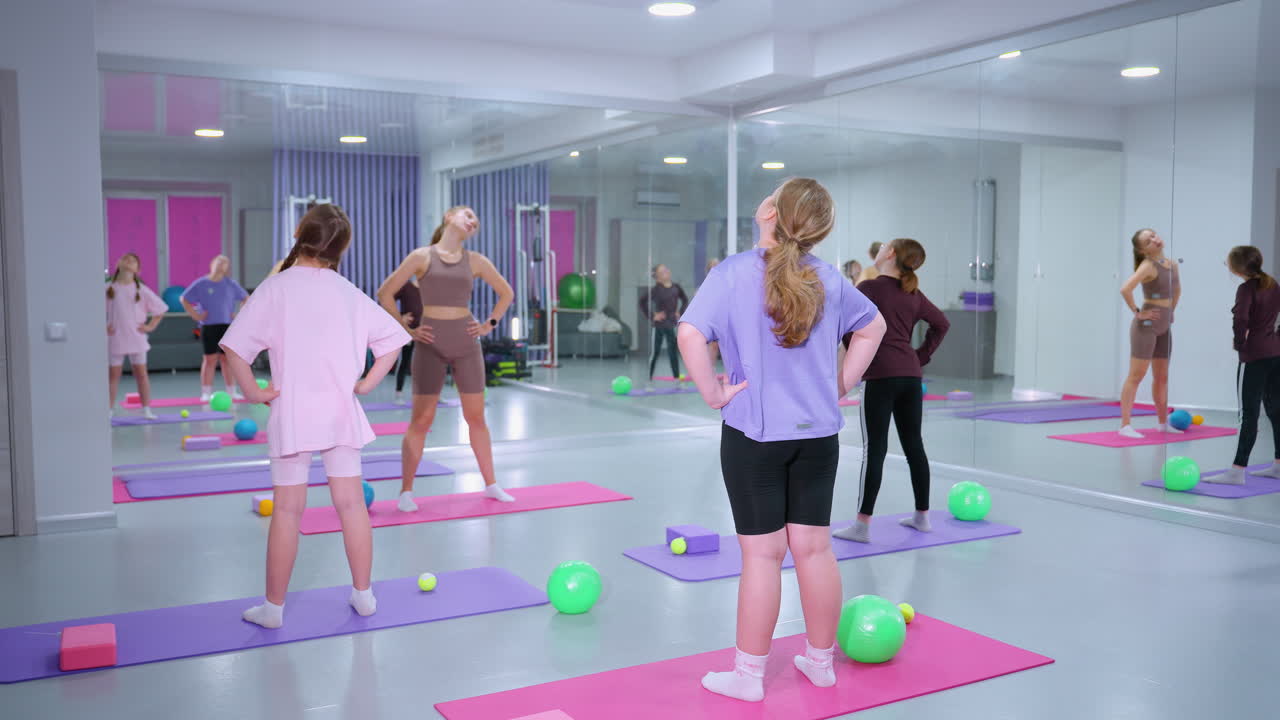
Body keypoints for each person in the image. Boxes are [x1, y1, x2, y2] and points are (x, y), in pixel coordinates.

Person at [679, 178, 885, 703]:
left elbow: (689, 334)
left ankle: (748, 676)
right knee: (815, 550)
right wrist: (840, 384)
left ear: (770, 211)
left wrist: (712, 393)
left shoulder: (731, 274)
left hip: (754, 437)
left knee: (763, 556)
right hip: (818, 435)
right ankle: (820, 663)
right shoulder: (830, 278)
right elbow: (872, 327)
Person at [219, 203, 410, 629]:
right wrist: (365, 383)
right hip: (341, 411)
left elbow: (233, 348)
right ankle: (363, 595)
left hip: (292, 412)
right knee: (351, 506)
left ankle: (273, 608)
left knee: (288, 509)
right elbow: (394, 344)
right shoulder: (348, 292)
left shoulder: (276, 288)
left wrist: (254, 393)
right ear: (342, 248)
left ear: (299, 236)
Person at [377, 206, 516, 512]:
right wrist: (407, 329)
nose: (473, 220)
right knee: (421, 420)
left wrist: (489, 324)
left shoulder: (477, 261)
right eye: (468, 215)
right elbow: (384, 293)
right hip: (430, 343)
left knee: (476, 418)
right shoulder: (421, 257)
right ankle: (406, 491)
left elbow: (506, 293)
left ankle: (492, 484)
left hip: (467, 343)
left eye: (476, 220)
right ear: (449, 217)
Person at [832, 238, 949, 544]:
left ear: (891, 254)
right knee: (914, 447)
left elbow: (844, 325)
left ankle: (862, 525)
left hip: (881, 378)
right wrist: (919, 357)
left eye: (885, 246)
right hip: (910, 377)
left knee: (875, 450)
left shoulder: (869, 289)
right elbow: (942, 324)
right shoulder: (913, 293)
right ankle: (922, 516)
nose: (880, 250)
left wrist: (858, 356)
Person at [1210, 246, 1280, 484]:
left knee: (1247, 414)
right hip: (1275, 353)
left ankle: (1237, 471)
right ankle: (1279, 465)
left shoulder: (1246, 288)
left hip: (1254, 357)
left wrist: (1240, 343)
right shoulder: (1272, 284)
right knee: (1275, 410)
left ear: (1236, 267)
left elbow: (1240, 318)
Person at [1118, 228, 1182, 438]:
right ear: (1143, 250)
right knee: (1136, 376)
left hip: (1164, 325)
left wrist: (1171, 311)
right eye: (1148, 240)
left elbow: (1177, 290)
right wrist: (1138, 312)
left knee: (1162, 377)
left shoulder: (1172, 264)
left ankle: (1162, 423)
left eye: (1154, 235)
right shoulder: (1147, 266)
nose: (1155, 240)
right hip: (1145, 328)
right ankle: (1125, 426)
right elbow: (1125, 288)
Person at [106, 253, 169, 419]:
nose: (128, 261)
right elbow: (93, 309)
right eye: (125, 258)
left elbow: (161, 309)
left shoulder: (141, 290)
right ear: (118, 263)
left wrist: (150, 326)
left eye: (133, 261)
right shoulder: (109, 289)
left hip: (137, 337)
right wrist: (104, 327)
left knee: (141, 373)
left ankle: (147, 408)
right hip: (116, 338)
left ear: (137, 269)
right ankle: (108, 409)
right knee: (113, 375)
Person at [181, 255, 249, 401]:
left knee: (227, 360)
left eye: (225, 263)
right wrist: (196, 316)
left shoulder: (231, 284)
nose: (221, 264)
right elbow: (184, 299)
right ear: (212, 264)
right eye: (219, 261)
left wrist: (239, 315)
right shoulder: (201, 283)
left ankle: (231, 391)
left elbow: (246, 298)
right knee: (209, 359)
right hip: (209, 326)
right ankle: (206, 392)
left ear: (227, 268)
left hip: (227, 326)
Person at [640, 264, 689, 380]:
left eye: (666, 270)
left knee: (673, 353)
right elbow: (642, 302)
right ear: (657, 277)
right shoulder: (656, 290)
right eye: (662, 272)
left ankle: (676, 377)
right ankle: (649, 376)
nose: (665, 272)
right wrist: (653, 316)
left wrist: (680, 312)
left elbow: (685, 300)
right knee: (655, 352)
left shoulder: (676, 287)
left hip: (671, 325)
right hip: (659, 326)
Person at [391, 272, 422, 405]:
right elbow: (387, 299)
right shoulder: (406, 287)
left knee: (431, 364)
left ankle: (433, 394)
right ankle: (399, 394)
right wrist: (400, 318)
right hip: (409, 331)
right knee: (405, 361)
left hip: (426, 331)